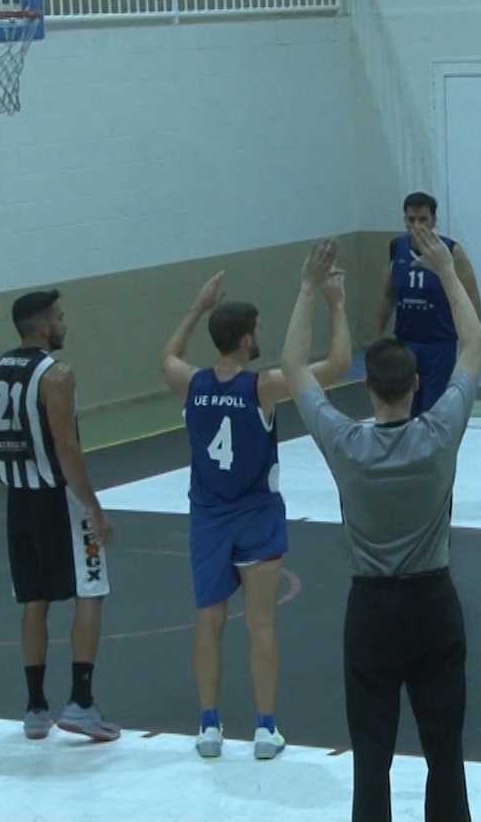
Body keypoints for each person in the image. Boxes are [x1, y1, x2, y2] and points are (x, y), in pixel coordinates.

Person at [285, 230, 481, 822]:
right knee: (445, 750)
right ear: (417, 384)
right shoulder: (439, 433)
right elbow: (474, 347)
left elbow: (293, 367)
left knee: (371, 754)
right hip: (433, 605)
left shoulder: (346, 443)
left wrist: (308, 289)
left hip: (372, 610)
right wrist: (447, 271)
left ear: (368, 388)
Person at [161, 267, 351, 760]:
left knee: (208, 621)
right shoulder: (263, 388)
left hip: (208, 517)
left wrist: (198, 305)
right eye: (259, 329)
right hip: (256, 515)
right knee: (261, 624)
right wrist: (335, 304)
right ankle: (265, 728)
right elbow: (337, 365)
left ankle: (209, 726)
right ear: (247, 339)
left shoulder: (191, 383)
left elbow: (168, 356)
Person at [0, 290, 120, 743]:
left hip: (18, 499)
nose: (64, 324)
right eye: (60, 317)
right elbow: (67, 447)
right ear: (43, 326)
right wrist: (94, 508)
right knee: (91, 589)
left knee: (34, 598)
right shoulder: (57, 375)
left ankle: (35, 708)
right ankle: (81, 701)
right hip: (59, 498)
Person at [375, 192, 481, 416]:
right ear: (405, 220)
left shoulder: (452, 251)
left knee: (435, 411)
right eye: (411, 219)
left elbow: (472, 298)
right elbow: (387, 296)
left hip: (439, 345)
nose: (417, 225)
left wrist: (471, 343)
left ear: (434, 220)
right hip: (405, 344)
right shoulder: (397, 248)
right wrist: (378, 338)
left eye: (423, 219)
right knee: (403, 408)